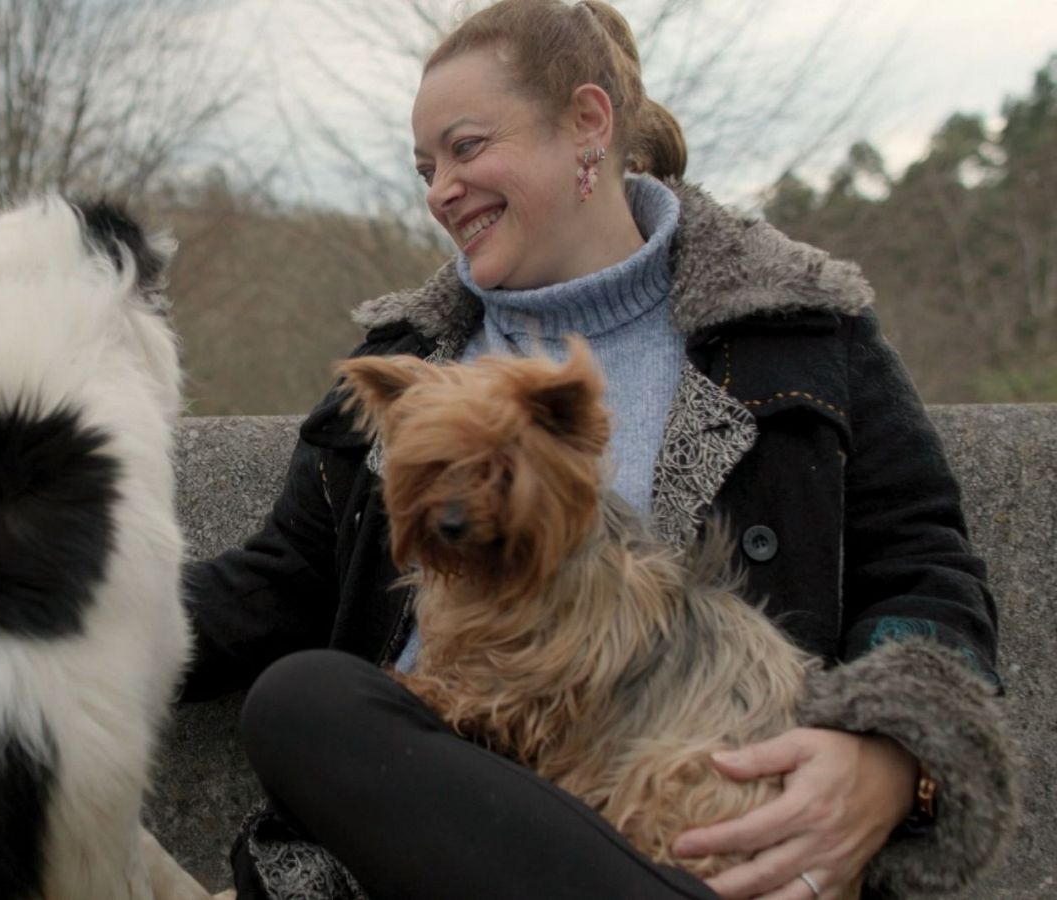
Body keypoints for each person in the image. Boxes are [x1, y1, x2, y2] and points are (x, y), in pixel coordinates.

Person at [178, 2, 1016, 899]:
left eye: (465, 148)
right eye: (424, 168)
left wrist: (892, 755)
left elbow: (925, 569)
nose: (439, 191)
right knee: (306, 703)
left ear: (588, 123)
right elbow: (272, 585)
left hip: (693, 815)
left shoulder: (796, 331)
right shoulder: (409, 359)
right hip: (431, 838)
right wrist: (47, 600)